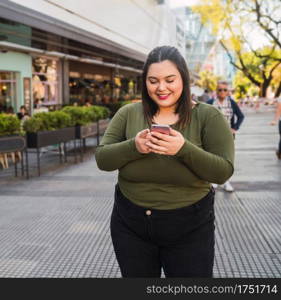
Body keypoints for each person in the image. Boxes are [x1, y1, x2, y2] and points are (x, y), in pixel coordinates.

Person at [95, 46, 234, 278]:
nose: (161, 87)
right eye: (153, 80)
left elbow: (223, 172)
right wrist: (134, 146)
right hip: (130, 224)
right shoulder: (128, 113)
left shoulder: (209, 116)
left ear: (184, 79)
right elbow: (102, 159)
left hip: (190, 227)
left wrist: (183, 149)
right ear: (145, 82)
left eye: (170, 79)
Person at [207, 81, 244, 192]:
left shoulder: (232, 103)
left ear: (228, 92)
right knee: (213, 158)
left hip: (228, 136)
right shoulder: (210, 102)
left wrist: (235, 128)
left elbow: (241, 116)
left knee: (227, 160)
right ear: (216, 91)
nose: (222, 92)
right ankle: (214, 180)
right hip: (212, 135)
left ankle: (226, 182)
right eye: (220, 89)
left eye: (225, 90)